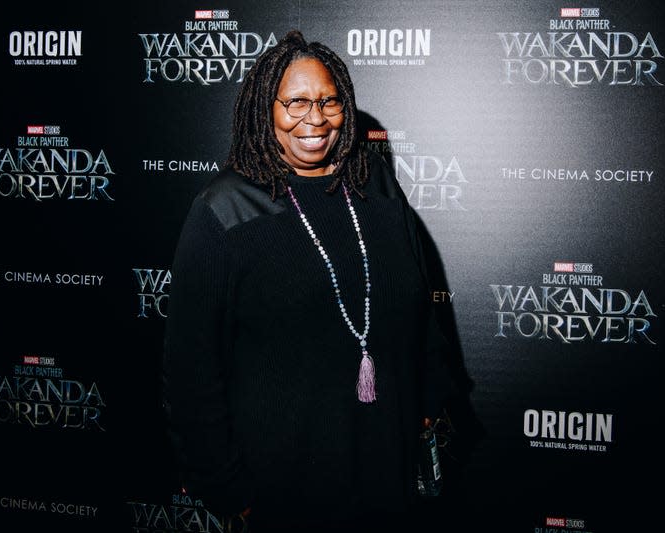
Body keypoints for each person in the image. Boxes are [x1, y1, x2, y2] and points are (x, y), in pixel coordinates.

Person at [162, 29, 455, 532]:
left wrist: (429, 405)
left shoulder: (374, 186)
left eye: (328, 101)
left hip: (388, 473)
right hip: (287, 491)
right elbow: (191, 369)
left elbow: (416, 309)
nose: (315, 119)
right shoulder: (225, 208)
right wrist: (229, 489)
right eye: (295, 102)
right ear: (264, 109)